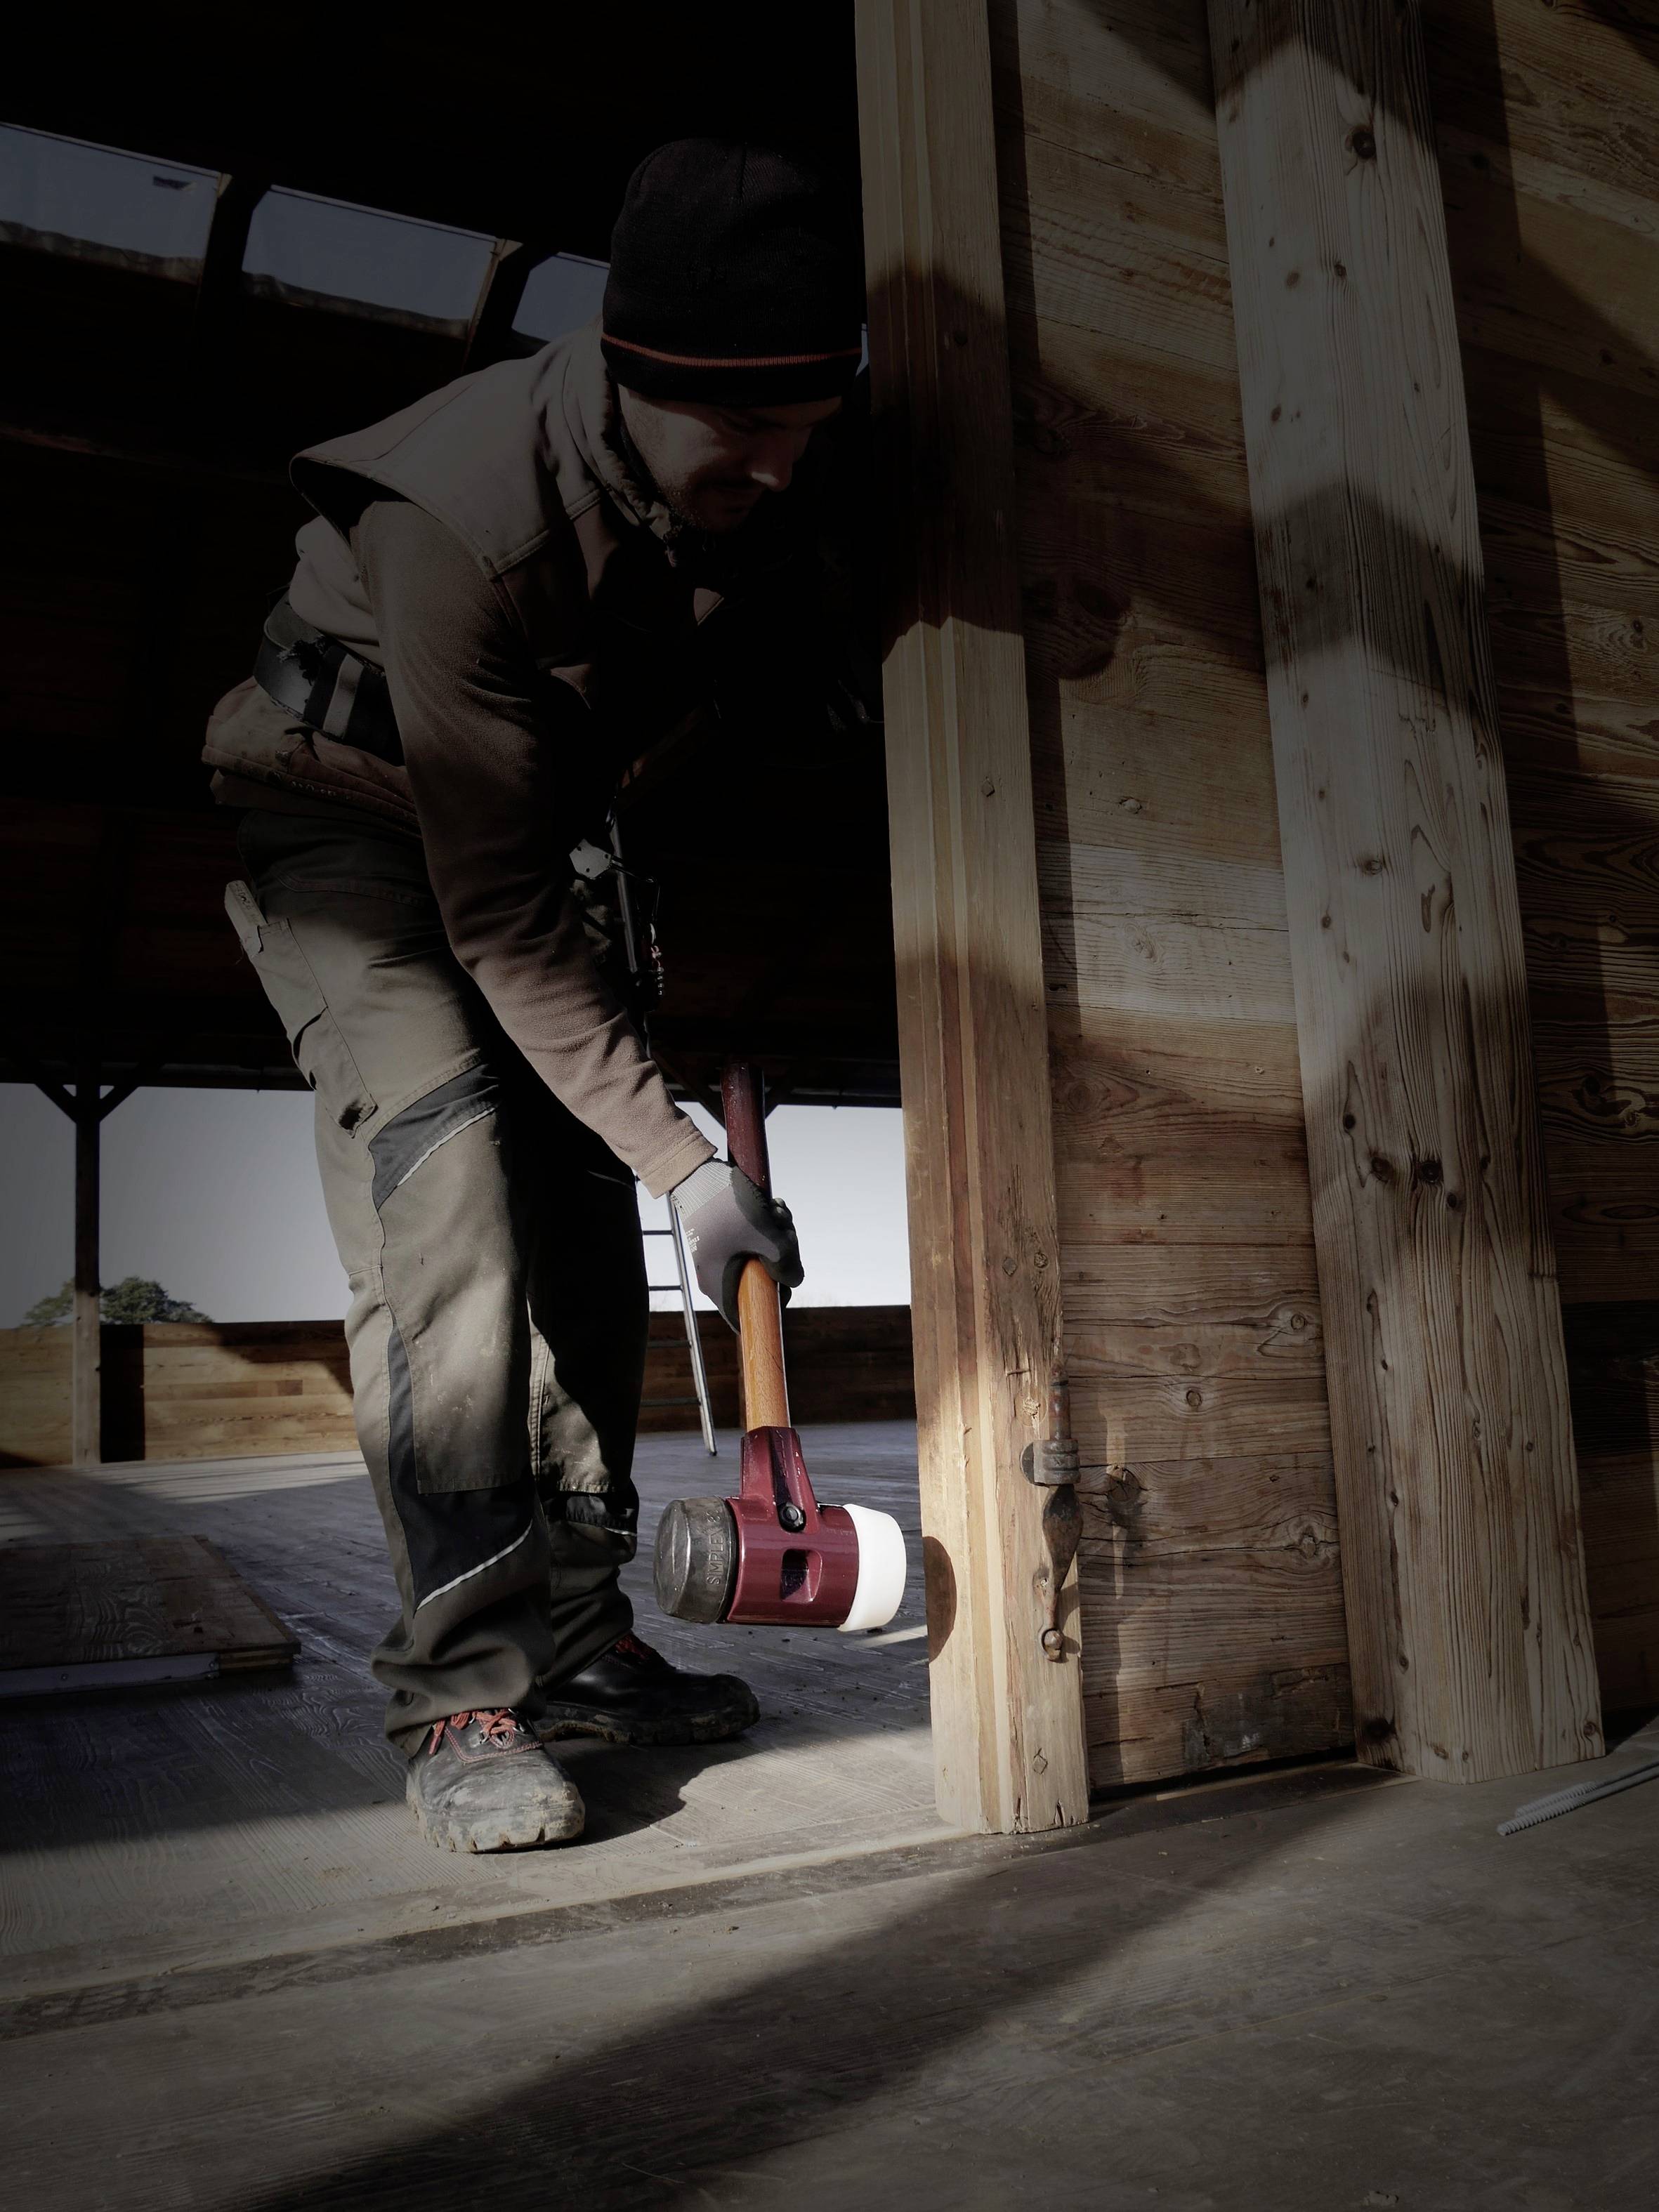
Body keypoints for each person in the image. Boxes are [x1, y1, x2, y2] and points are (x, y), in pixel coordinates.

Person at [202, 140, 870, 1853]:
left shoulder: (750, 475)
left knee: (583, 1220)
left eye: (809, 427)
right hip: (341, 815)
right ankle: (462, 1693)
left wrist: (649, 1162)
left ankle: (580, 1648)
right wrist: (692, 1163)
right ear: (634, 379)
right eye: (745, 434)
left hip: (535, 824)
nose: (782, 472)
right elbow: (489, 912)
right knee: (456, 1190)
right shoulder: (467, 521)